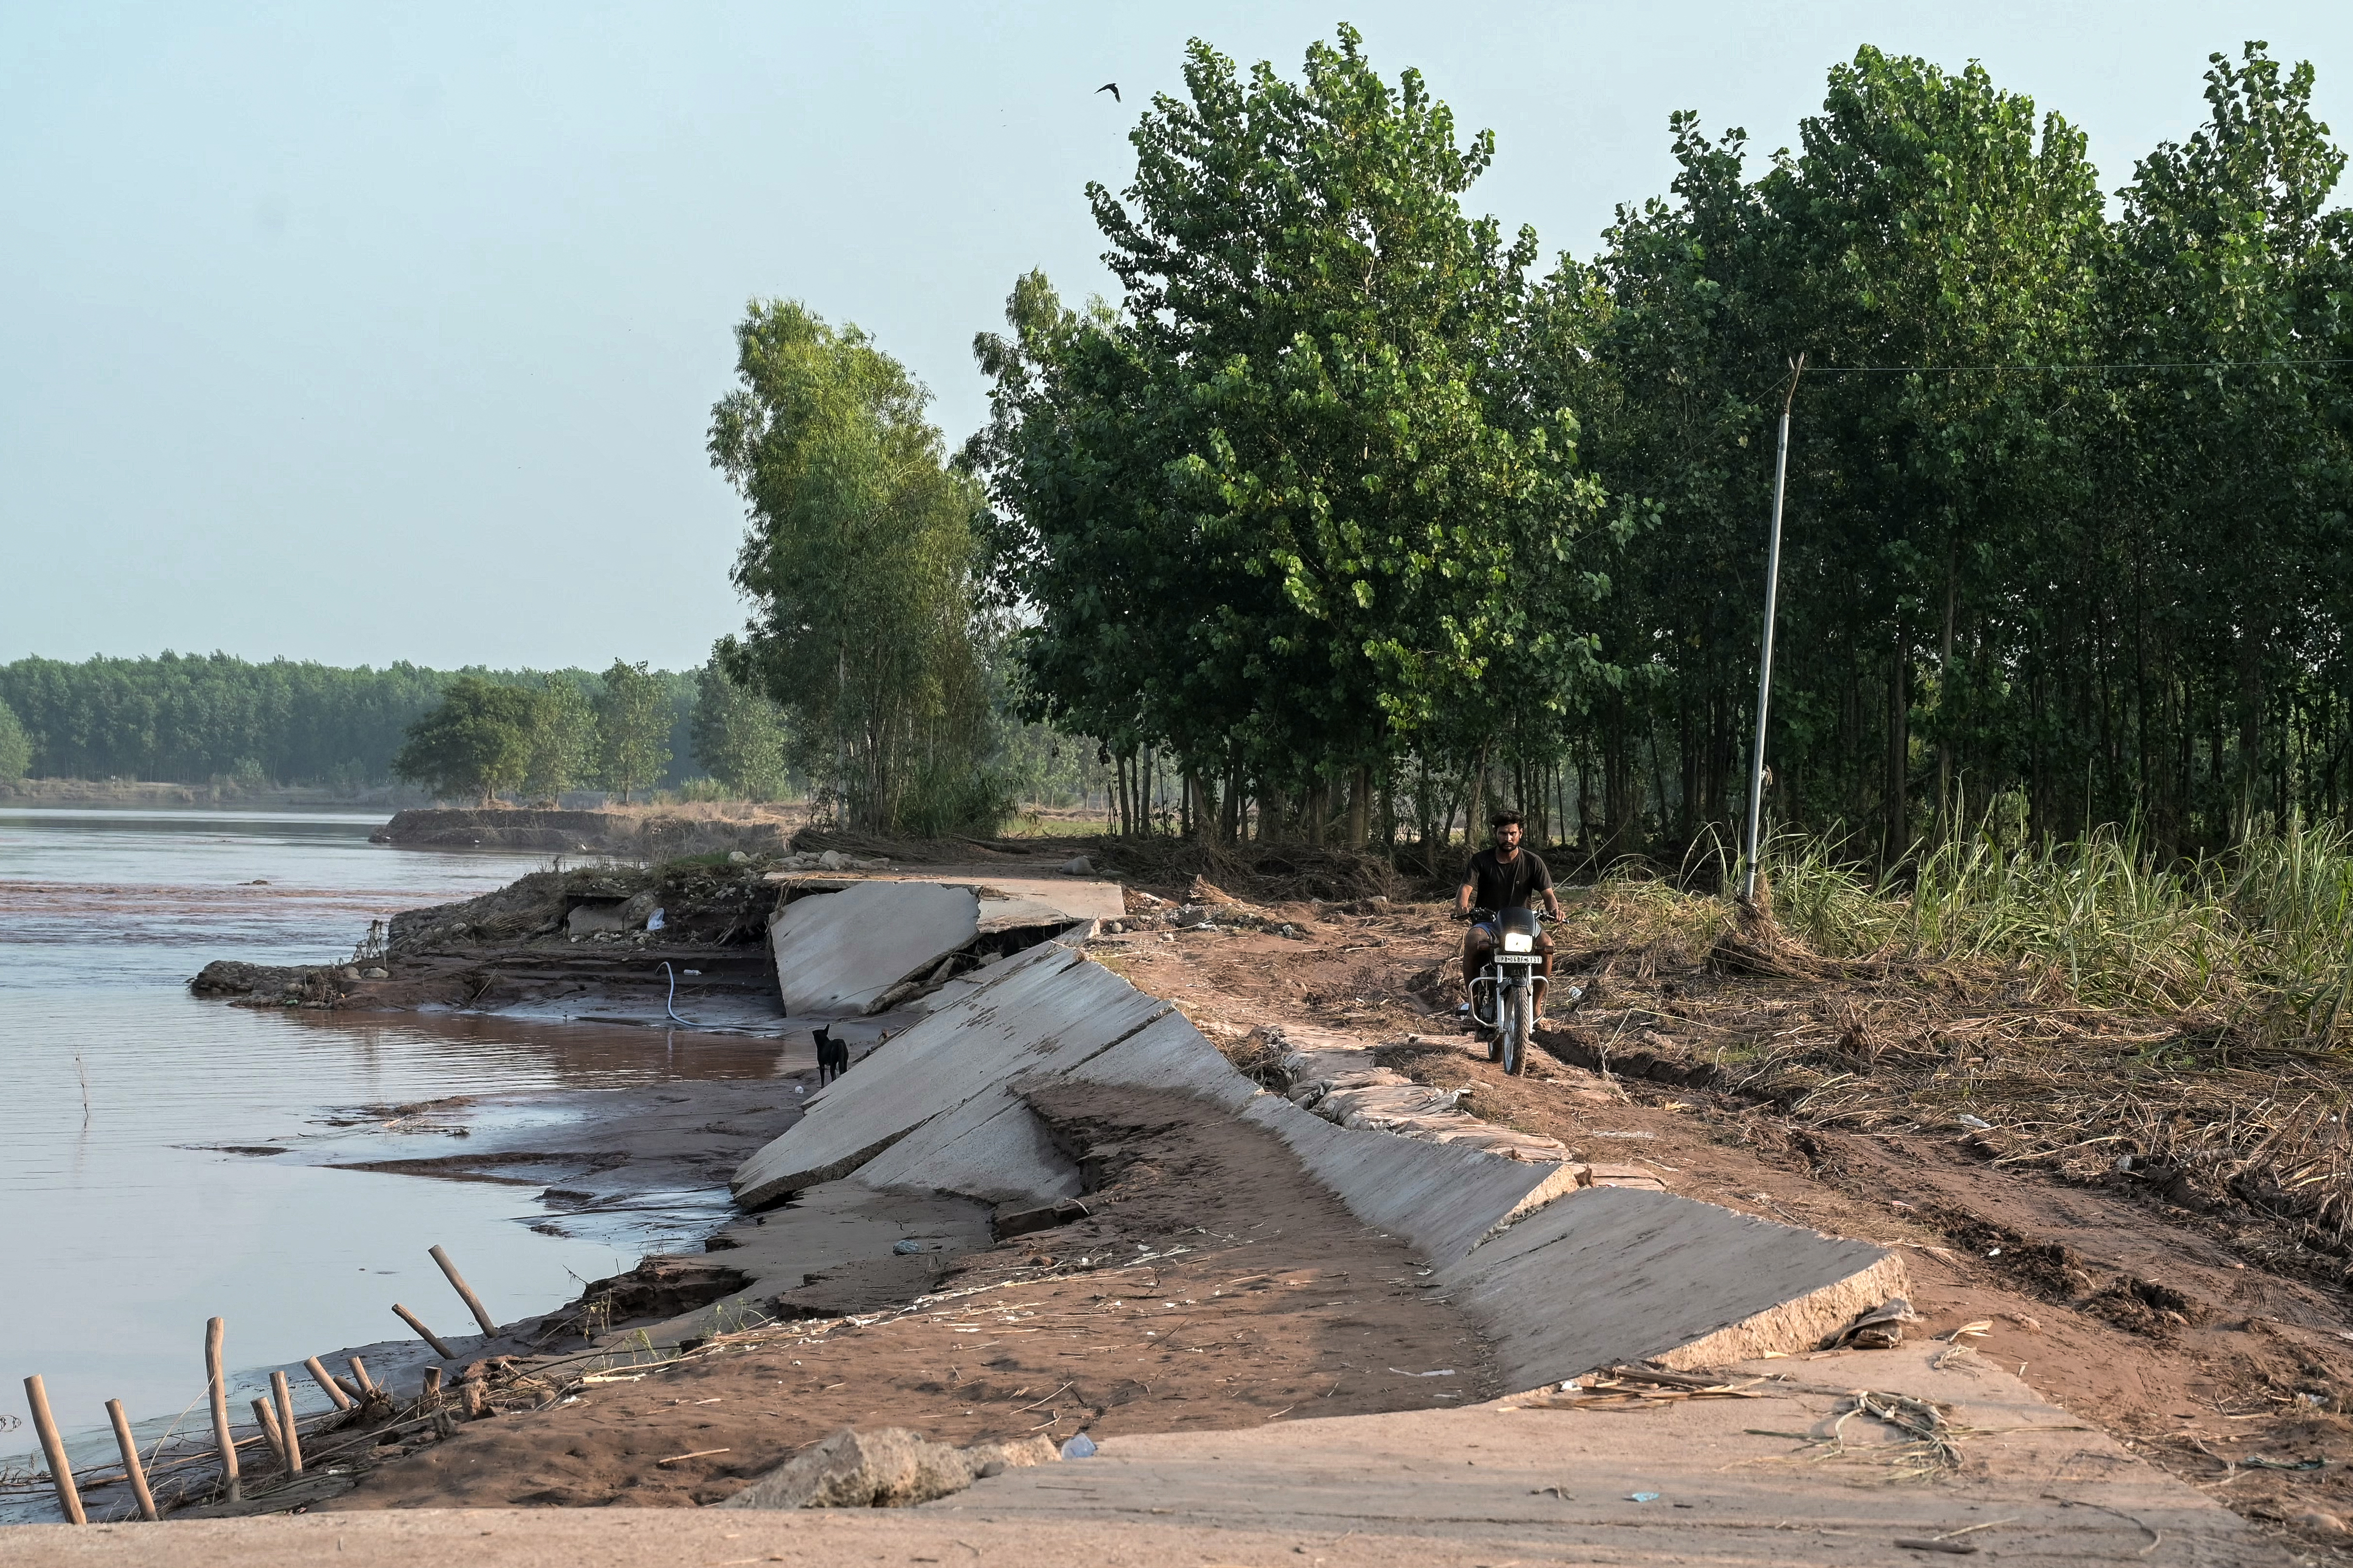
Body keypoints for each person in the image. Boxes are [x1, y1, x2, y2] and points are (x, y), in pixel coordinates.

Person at [1456, 809, 1563, 1009]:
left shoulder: (1533, 862)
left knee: (1547, 945)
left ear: (1520, 833)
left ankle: (1537, 1005)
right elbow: (1466, 888)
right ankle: (1475, 1005)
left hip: (1524, 924)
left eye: (1512, 833)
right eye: (1503, 833)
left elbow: (1549, 895)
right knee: (1472, 939)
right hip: (1488, 924)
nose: (1508, 838)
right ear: (1495, 833)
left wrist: (1555, 910)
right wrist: (1462, 906)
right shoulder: (1481, 860)